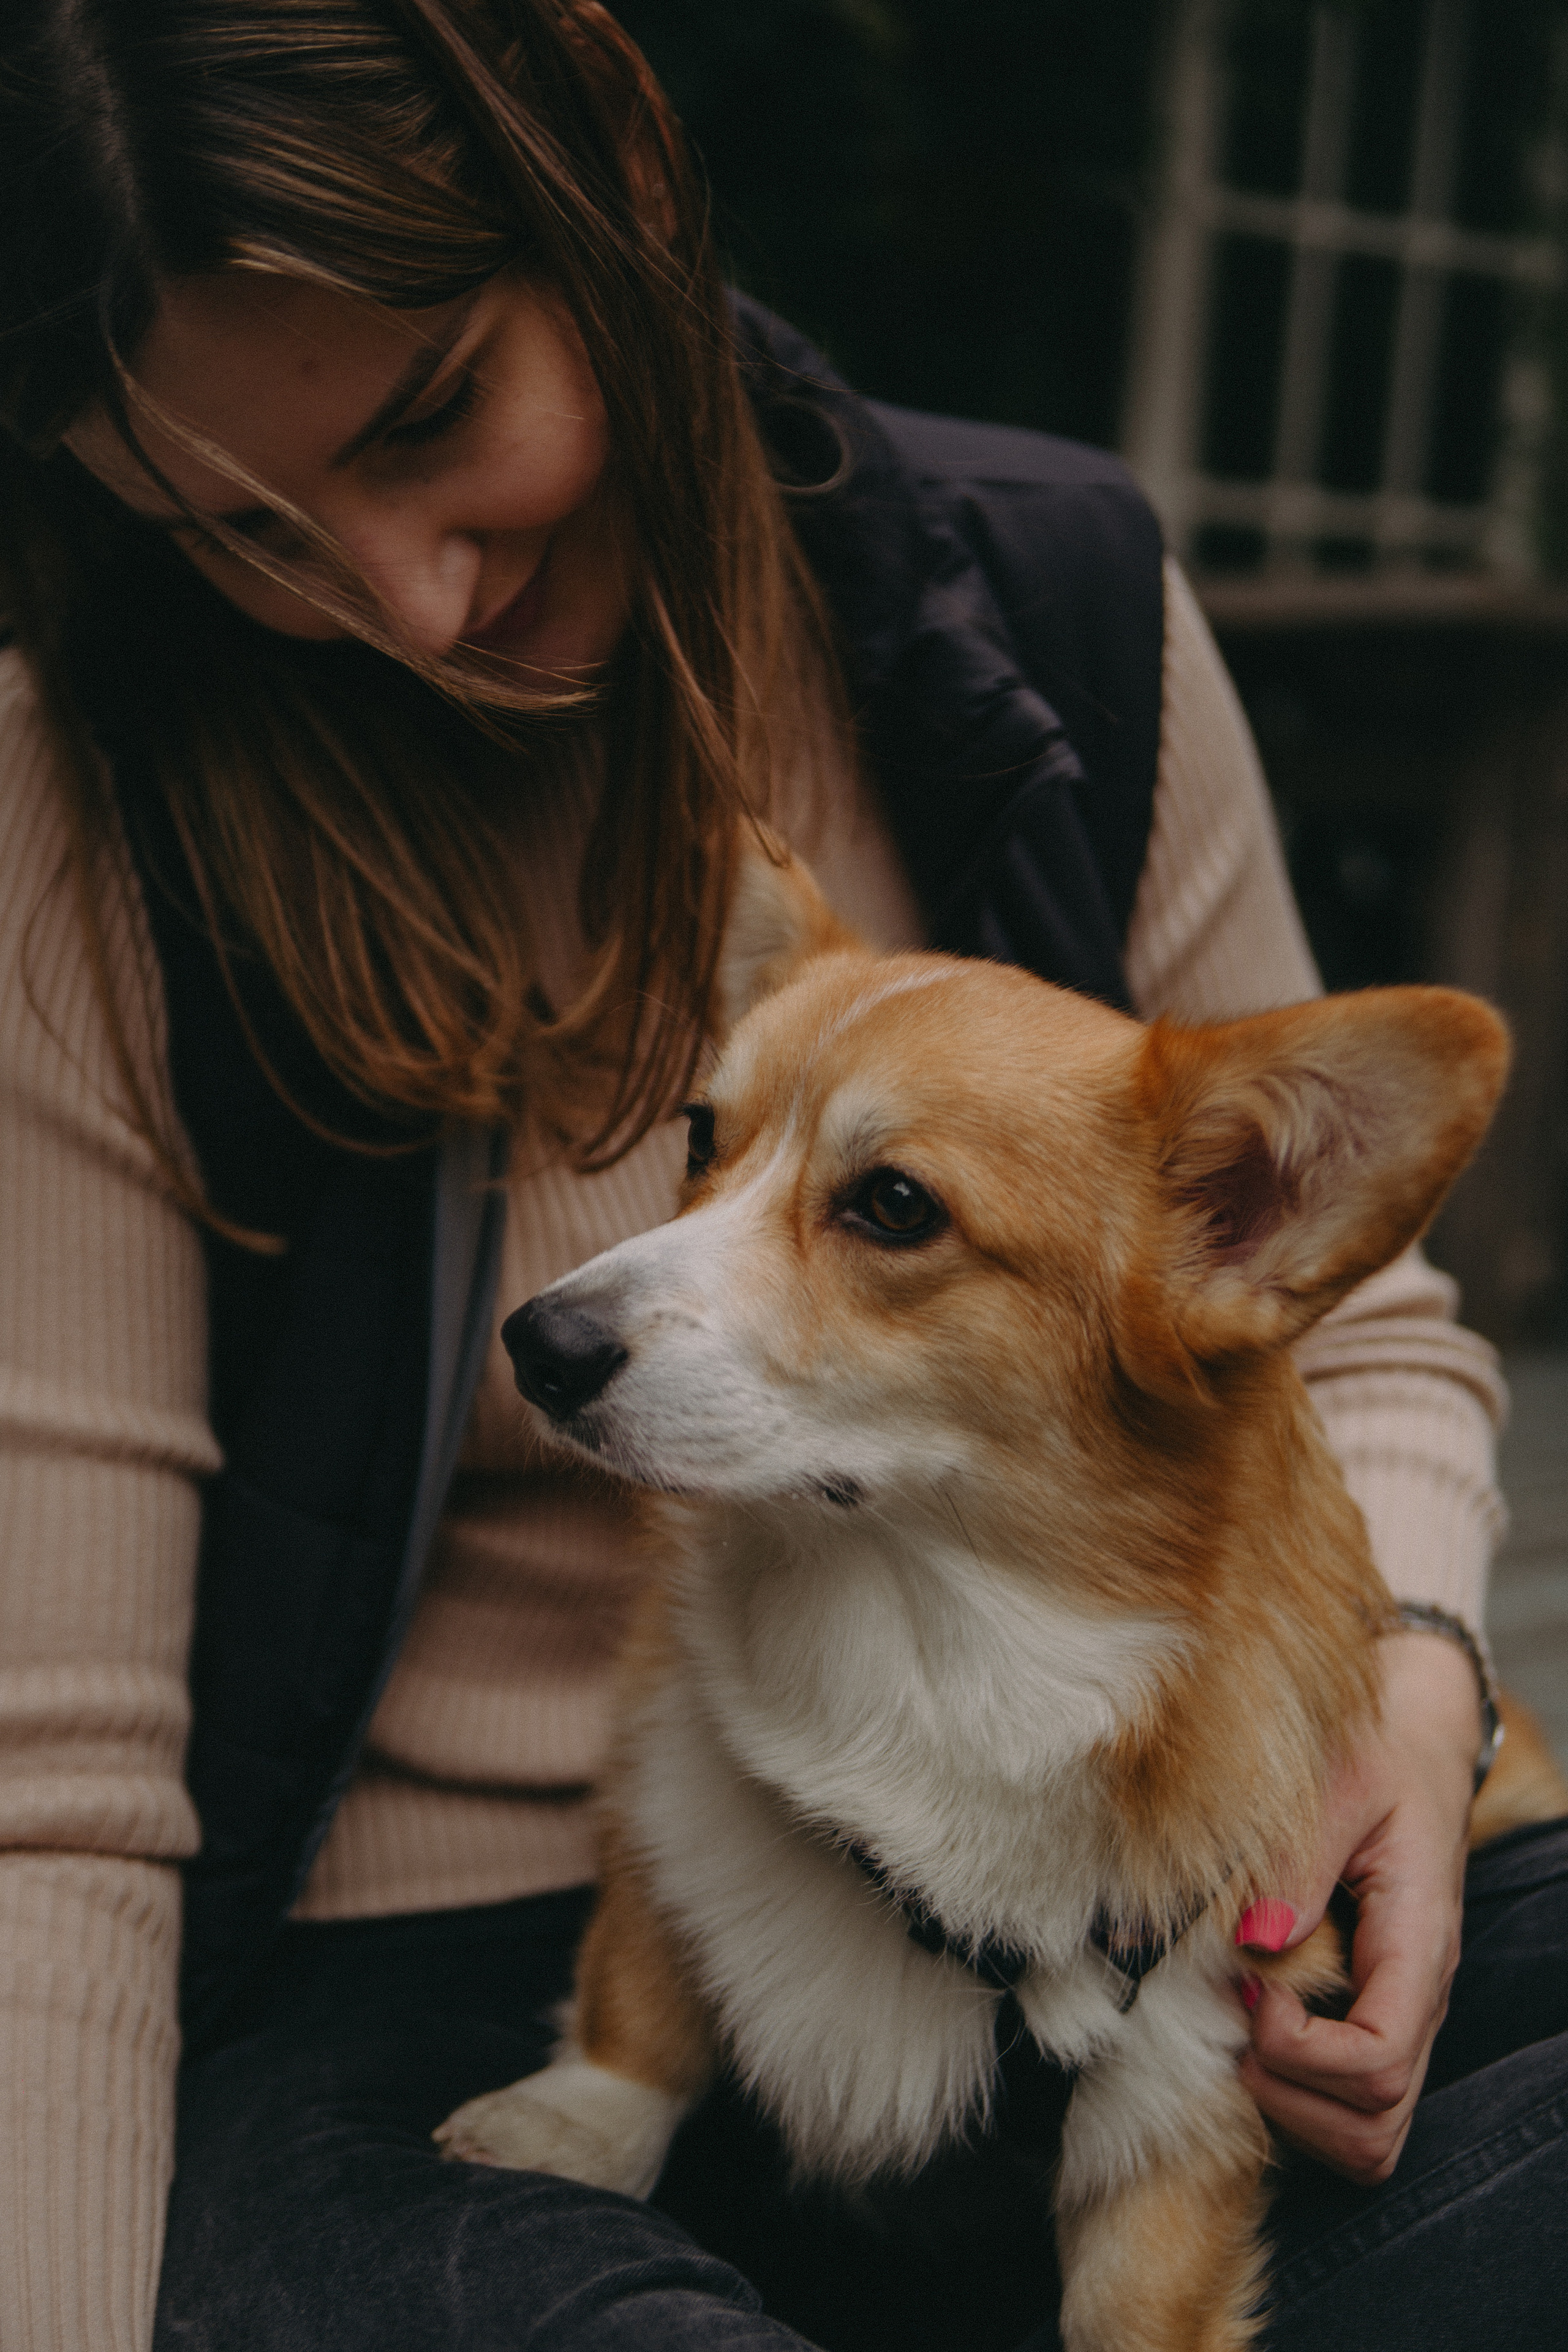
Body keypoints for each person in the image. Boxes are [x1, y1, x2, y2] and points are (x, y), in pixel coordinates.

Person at [0, 5, 1563, 2349]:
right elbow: (56, 1806)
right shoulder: (75, 818)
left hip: (1132, 1877)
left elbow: (1383, 1323)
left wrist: (1419, 1695)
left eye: (432, 412)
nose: (401, 603)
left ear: (607, 190)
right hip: (430, 1972)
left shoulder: (1050, 607)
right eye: (238, 523)